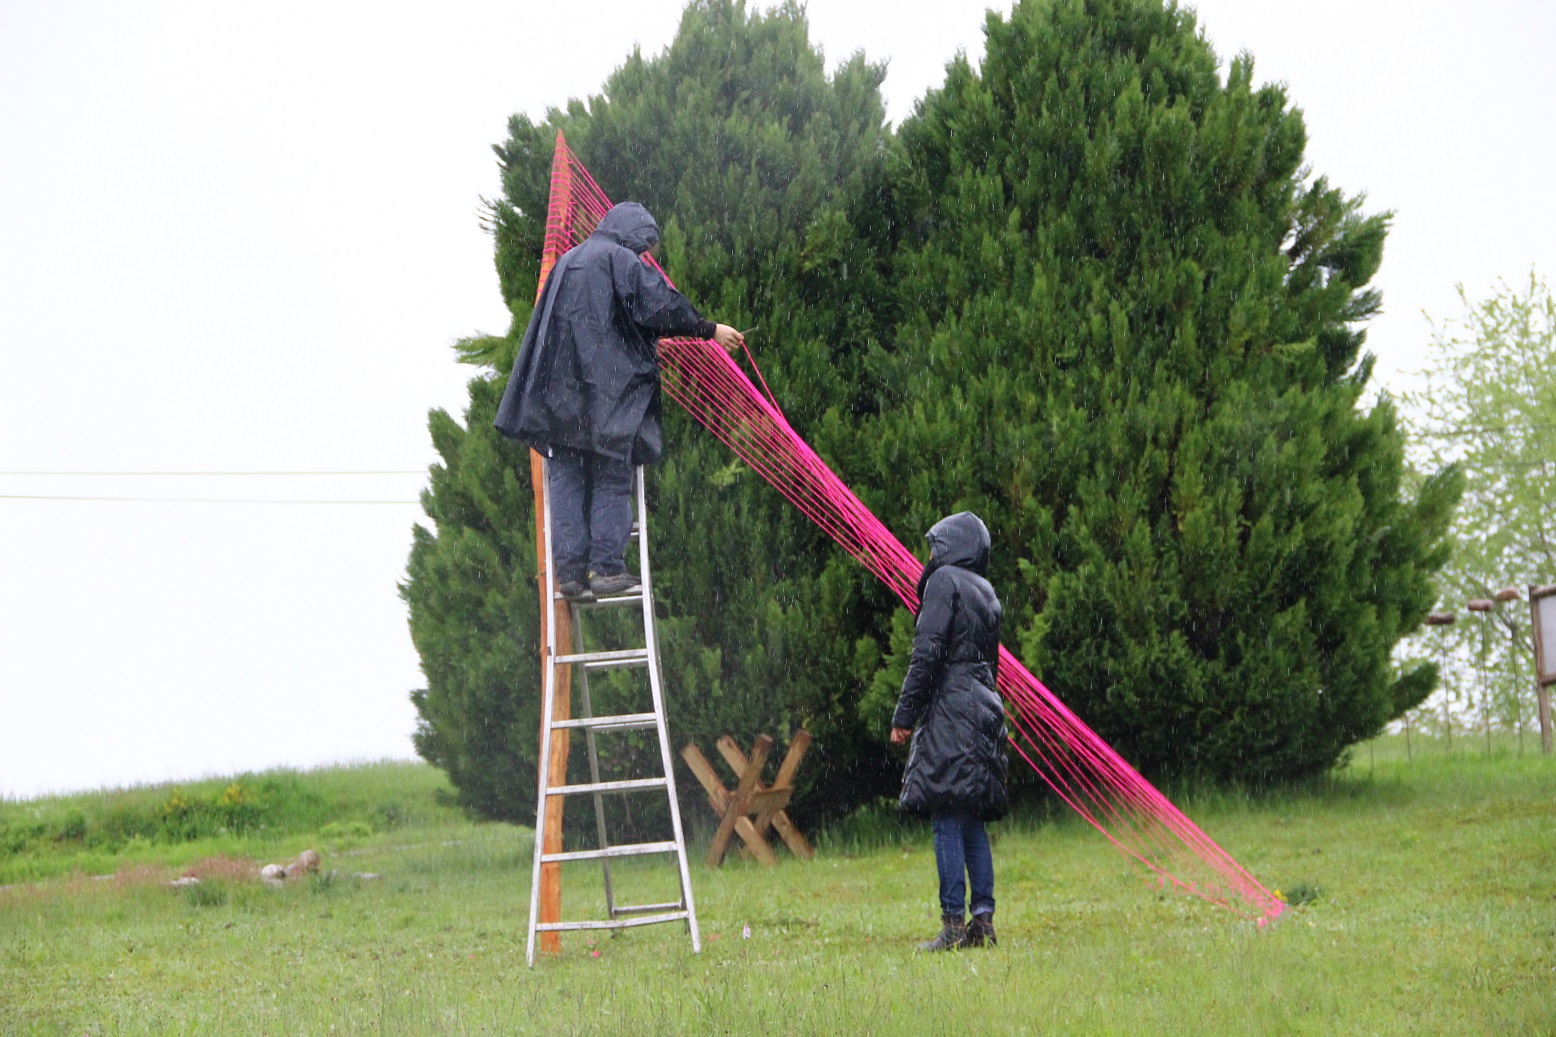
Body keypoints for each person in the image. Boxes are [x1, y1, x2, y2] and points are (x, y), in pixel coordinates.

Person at [494, 201, 744, 600]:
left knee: (568, 479)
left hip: (559, 399)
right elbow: (659, 307)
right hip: (608, 396)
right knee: (612, 477)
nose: (643, 254)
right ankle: (607, 568)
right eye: (643, 245)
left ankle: (571, 574)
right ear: (631, 233)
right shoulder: (619, 260)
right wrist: (708, 329)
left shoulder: (567, 262)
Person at [890, 511, 1008, 951]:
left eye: (934, 546)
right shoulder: (986, 591)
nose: (929, 555)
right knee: (971, 816)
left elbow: (927, 653)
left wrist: (905, 716)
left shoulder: (943, 584)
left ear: (951, 546)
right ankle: (984, 920)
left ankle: (953, 925)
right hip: (985, 708)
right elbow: (989, 662)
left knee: (944, 812)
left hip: (952, 709)